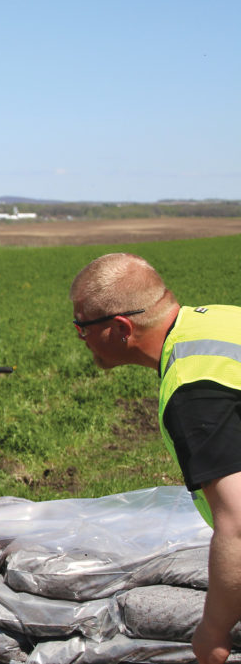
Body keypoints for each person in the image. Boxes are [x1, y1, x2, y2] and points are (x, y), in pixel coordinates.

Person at [70, 252, 241, 664]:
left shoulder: (192, 390)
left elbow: (238, 524)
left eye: (82, 327)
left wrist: (213, 632)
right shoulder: (217, 320)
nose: (80, 338)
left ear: (119, 329)